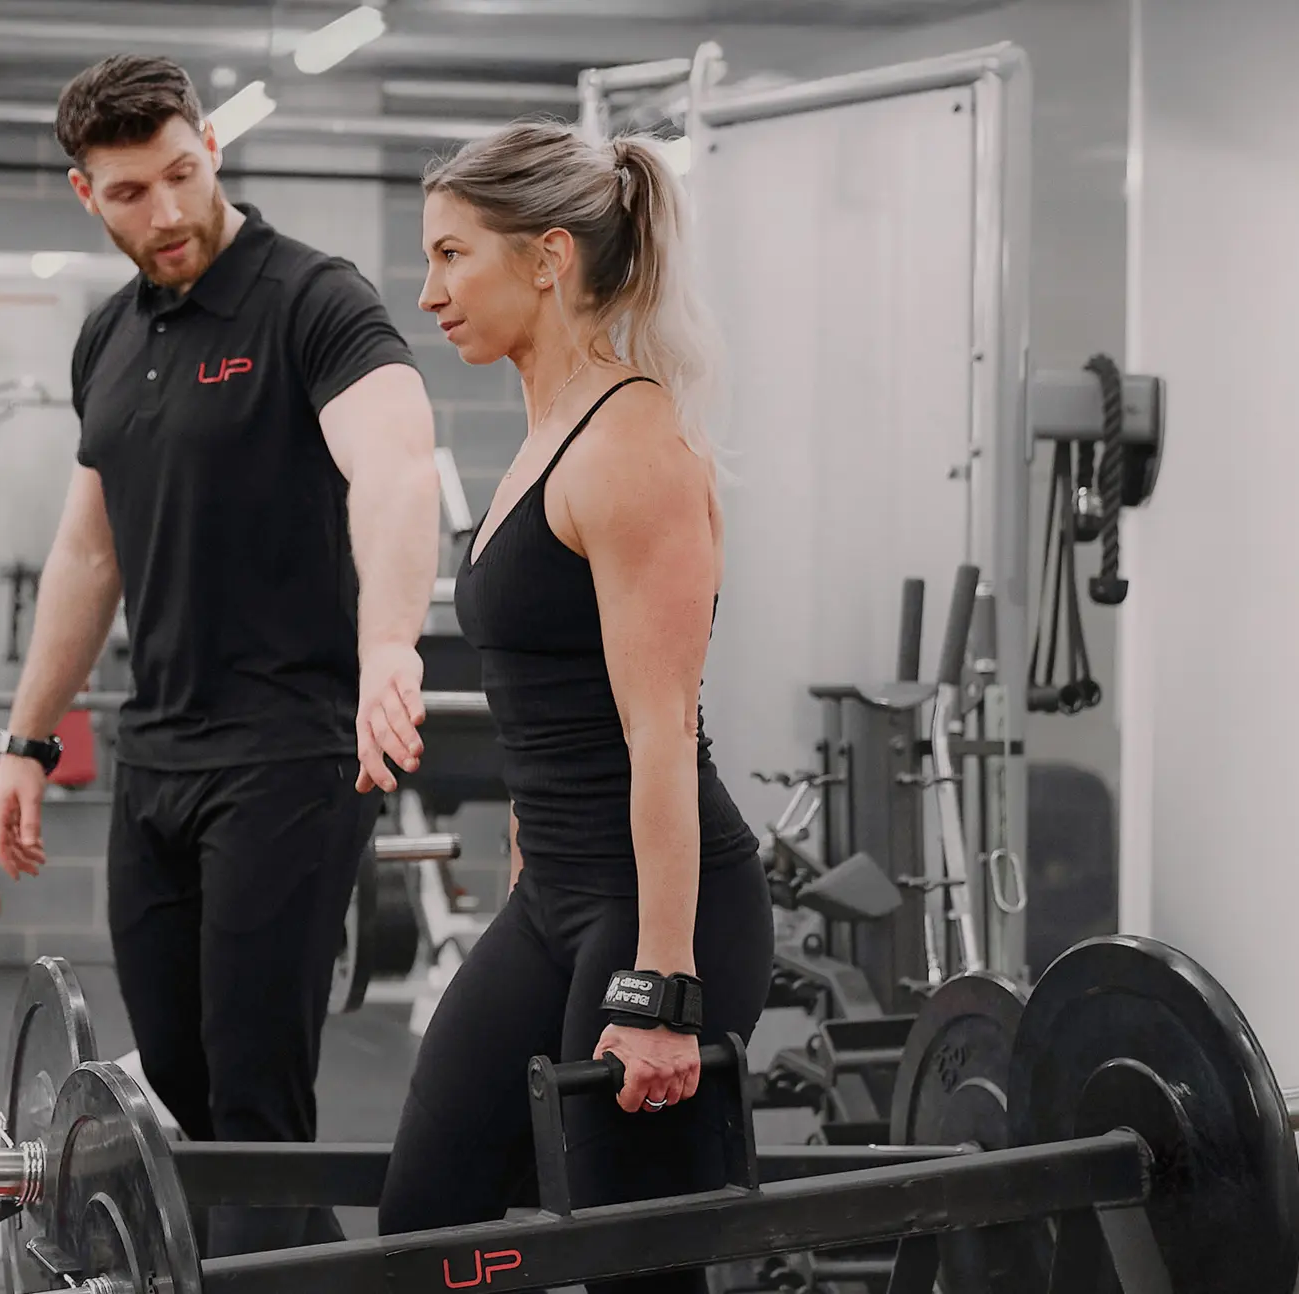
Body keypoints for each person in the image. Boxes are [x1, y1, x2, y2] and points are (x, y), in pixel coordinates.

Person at [0, 56, 443, 1256]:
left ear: (212, 152)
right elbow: (87, 557)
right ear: (87, 194)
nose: (169, 212)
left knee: (253, 1110)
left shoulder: (311, 300)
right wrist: (29, 736)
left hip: (287, 756)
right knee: (168, 1105)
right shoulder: (107, 336)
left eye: (182, 175)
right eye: (132, 191)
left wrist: (390, 639)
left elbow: (394, 468)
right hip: (157, 759)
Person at [377, 122, 773, 1286]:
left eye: (453, 255)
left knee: (631, 1262)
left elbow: (659, 733)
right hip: (553, 897)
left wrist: (660, 989)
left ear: (547, 257)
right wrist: (517, 859)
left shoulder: (631, 443)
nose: (429, 289)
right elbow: (545, 699)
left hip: (653, 917)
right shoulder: (541, 432)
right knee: (431, 1216)